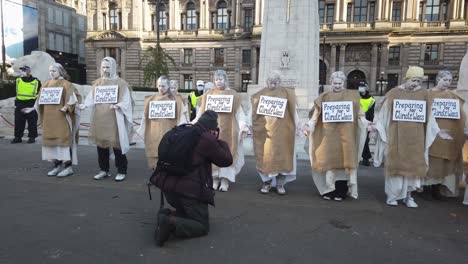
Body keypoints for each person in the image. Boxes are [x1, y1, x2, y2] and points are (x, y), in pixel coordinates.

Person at [371, 66, 452, 208]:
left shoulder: (423, 94)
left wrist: (438, 131)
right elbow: (383, 113)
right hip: (396, 138)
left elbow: (430, 117)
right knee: (396, 168)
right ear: (406, 78)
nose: (415, 84)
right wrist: (376, 127)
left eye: (419, 82)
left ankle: (408, 196)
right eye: (413, 80)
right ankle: (393, 196)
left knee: (413, 169)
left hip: (416, 140)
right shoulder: (394, 93)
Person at [152, 110, 233, 247]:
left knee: (186, 212)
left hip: (167, 187)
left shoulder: (181, 130)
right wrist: (219, 140)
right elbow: (226, 160)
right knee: (201, 226)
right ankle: (169, 222)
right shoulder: (206, 138)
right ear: (213, 128)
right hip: (189, 193)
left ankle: (167, 213)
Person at [307, 71, 369, 201]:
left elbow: (360, 113)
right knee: (329, 163)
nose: (337, 85)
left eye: (340, 83)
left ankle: (341, 191)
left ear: (344, 83)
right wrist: (310, 125)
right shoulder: (325, 96)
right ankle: (329, 190)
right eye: (335, 83)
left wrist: (367, 124)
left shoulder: (352, 96)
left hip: (346, 136)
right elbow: (316, 114)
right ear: (331, 83)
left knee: (343, 164)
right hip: (328, 136)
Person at [193, 70, 248, 192]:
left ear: (225, 80)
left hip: (229, 129)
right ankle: (215, 179)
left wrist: (243, 125)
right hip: (212, 131)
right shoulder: (209, 95)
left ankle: (225, 180)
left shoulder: (233, 95)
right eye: (216, 79)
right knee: (212, 154)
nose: (218, 81)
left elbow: (239, 113)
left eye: (221, 79)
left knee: (227, 153)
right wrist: (194, 122)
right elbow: (201, 111)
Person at [81, 57, 133, 181]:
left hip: (115, 119)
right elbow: (91, 98)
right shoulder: (97, 83)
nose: (105, 69)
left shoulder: (121, 83)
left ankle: (122, 170)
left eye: (108, 67)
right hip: (100, 119)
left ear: (113, 67)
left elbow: (126, 100)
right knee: (101, 145)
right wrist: (84, 105)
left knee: (117, 146)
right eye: (103, 67)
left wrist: (118, 105)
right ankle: (104, 169)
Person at [250, 71, 301, 195]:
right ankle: (266, 183)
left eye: (275, 82)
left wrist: (298, 124)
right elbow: (252, 112)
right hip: (265, 133)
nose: (272, 84)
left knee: (282, 157)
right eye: (270, 82)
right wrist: (247, 125)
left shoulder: (287, 94)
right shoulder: (260, 95)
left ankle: (280, 183)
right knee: (266, 157)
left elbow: (293, 111)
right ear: (267, 82)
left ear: (279, 82)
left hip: (283, 133)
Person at [423, 70, 465, 200]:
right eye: (445, 80)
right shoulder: (427, 94)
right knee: (430, 161)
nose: (447, 83)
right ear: (437, 79)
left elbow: (461, 113)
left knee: (442, 163)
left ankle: (437, 188)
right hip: (431, 134)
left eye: (450, 81)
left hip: (448, 134)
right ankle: (426, 188)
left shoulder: (453, 96)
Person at [38, 63, 81, 177]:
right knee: (53, 144)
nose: (51, 73)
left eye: (54, 71)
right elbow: (38, 100)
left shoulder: (66, 84)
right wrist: (32, 108)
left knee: (63, 143)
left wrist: (67, 107)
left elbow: (74, 98)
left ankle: (68, 167)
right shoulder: (45, 85)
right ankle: (56, 166)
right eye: (50, 71)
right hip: (49, 119)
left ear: (61, 71)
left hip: (62, 119)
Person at [137, 76, 189, 169]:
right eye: (159, 86)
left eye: (163, 86)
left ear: (168, 86)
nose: (161, 88)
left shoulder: (176, 100)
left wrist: (181, 133)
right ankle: (157, 177)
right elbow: (145, 117)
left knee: (169, 156)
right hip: (154, 133)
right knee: (155, 155)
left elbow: (182, 117)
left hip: (169, 133)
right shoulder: (151, 99)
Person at [11, 65, 41, 144]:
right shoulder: (18, 80)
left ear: (29, 71)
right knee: (18, 122)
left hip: (31, 103)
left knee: (32, 122)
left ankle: (32, 137)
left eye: (24, 70)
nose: (23, 71)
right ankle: (18, 137)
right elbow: (14, 91)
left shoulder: (36, 81)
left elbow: (40, 92)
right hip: (20, 103)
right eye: (22, 70)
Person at [359, 82, 375, 166]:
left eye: (363, 87)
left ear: (367, 88)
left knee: (365, 140)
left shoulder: (371, 99)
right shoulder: (356, 97)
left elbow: (371, 113)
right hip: (357, 121)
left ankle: (366, 158)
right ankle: (363, 157)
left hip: (367, 121)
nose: (361, 88)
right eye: (360, 87)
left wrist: (369, 123)